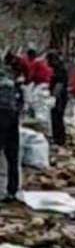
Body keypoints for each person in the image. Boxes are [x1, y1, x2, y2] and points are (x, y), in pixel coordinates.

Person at [0, 74, 23, 202]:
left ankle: (4, 190)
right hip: (12, 119)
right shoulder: (13, 85)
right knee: (12, 157)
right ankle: (12, 191)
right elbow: (21, 104)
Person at [46, 50, 69, 145]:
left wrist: (54, 97)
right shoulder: (59, 67)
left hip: (60, 97)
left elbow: (59, 84)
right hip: (61, 96)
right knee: (57, 117)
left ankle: (59, 139)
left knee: (57, 117)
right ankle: (58, 137)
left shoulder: (58, 69)